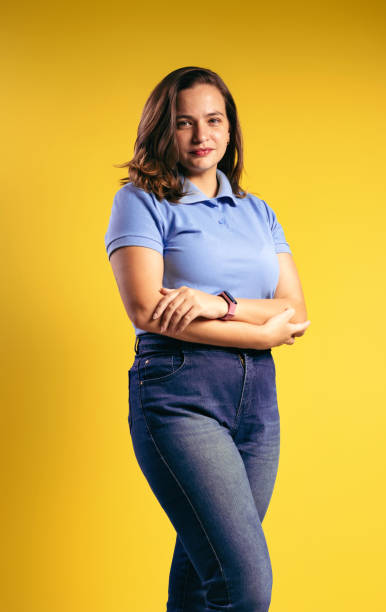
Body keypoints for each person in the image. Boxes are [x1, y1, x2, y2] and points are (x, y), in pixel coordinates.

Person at [104, 66, 311, 612]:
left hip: (257, 401)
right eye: (184, 123)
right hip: (179, 393)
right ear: (161, 130)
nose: (202, 137)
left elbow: (296, 311)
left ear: (230, 127)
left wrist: (216, 302)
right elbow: (148, 309)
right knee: (242, 584)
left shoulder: (257, 210)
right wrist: (259, 330)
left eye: (214, 120)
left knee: (203, 578)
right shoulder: (141, 201)